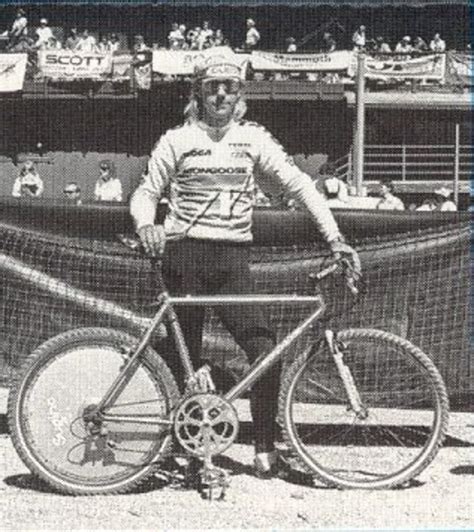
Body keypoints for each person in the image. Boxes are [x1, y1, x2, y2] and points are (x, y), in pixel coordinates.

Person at [130, 56, 361, 477]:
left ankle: (265, 448)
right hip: (184, 258)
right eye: (213, 86)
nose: (221, 94)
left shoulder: (253, 139)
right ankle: (172, 446)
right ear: (198, 92)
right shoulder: (176, 140)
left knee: (264, 350)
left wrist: (336, 239)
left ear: (240, 95)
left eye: (230, 87)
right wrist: (146, 224)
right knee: (183, 359)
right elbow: (145, 192)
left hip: (232, 259)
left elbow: (300, 185)